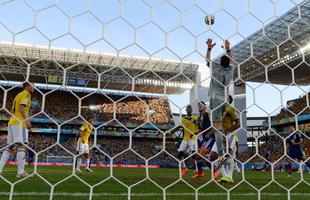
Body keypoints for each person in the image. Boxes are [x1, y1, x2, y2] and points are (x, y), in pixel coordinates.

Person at [206, 38, 235, 160]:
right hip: (225, 101)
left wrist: (209, 48)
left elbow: (207, 59)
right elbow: (232, 60)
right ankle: (227, 147)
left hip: (216, 100)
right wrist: (228, 49)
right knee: (222, 127)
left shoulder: (215, 68)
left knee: (217, 127)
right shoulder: (230, 70)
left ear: (219, 62)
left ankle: (221, 155)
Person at [0, 82, 35, 178]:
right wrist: (27, 120)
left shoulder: (18, 94)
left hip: (12, 121)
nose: (34, 87)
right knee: (22, 145)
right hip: (20, 123)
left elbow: (14, 109)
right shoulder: (26, 94)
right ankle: (20, 172)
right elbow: (21, 107)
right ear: (27, 86)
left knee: (10, 147)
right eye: (33, 85)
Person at [216, 95, 240, 183]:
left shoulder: (230, 109)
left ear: (229, 101)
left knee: (228, 155)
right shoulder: (218, 110)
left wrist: (227, 130)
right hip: (220, 135)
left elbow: (238, 124)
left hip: (230, 135)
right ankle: (225, 176)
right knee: (214, 156)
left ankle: (229, 176)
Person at [170, 105, 198, 176]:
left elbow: (199, 126)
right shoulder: (183, 119)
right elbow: (180, 126)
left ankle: (198, 170)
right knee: (179, 154)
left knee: (194, 154)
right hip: (185, 139)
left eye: (190, 108)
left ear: (192, 110)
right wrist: (172, 131)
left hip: (193, 138)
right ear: (186, 110)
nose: (189, 109)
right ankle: (184, 168)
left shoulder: (195, 118)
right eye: (187, 108)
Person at [192, 101, 213, 179]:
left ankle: (215, 171)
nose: (199, 106)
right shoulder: (199, 117)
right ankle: (200, 173)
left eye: (201, 105)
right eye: (198, 105)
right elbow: (201, 129)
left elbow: (213, 125)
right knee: (196, 156)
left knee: (201, 155)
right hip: (204, 139)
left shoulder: (207, 115)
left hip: (211, 137)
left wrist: (210, 132)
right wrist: (193, 133)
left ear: (205, 107)